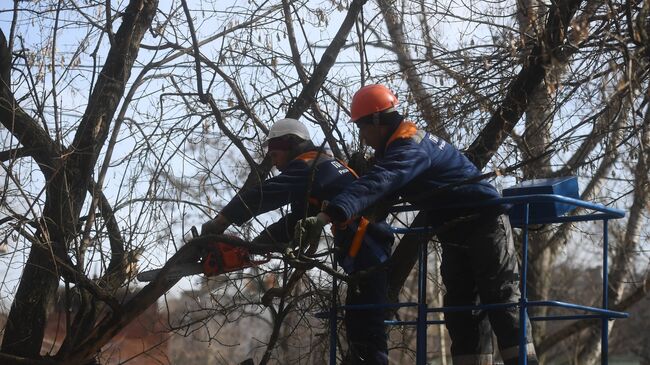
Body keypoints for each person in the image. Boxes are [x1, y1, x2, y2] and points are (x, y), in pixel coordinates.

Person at [299, 85, 538, 365]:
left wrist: (329, 214)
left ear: (377, 121)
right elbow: (378, 190)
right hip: (453, 229)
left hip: (485, 222)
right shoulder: (396, 148)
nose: (363, 138)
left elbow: (381, 181)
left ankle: (524, 361)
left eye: (362, 128)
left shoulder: (409, 145)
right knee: (462, 307)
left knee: (500, 296)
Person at [201, 118, 394, 364]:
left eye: (275, 154)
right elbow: (295, 222)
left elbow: (265, 194)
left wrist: (221, 222)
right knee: (360, 326)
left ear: (291, 144)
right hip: (365, 248)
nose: (274, 162)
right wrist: (252, 248)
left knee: (367, 329)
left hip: (368, 248)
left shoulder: (309, 166)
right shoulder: (325, 165)